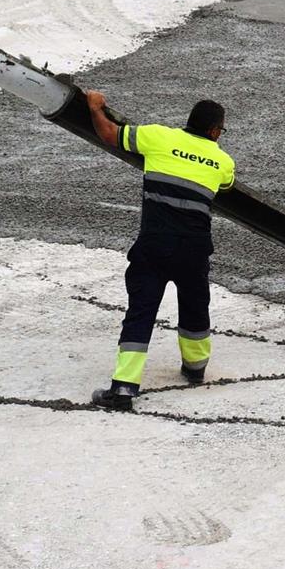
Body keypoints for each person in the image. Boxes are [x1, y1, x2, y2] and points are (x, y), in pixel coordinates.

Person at [83, 89, 234, 412]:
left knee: (141, 312)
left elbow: (110, 134)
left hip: (154, 245)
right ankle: (195, 369)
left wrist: (96, 107)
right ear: (214, 131)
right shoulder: (223, 161)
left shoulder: (156, 137)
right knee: (195, 307)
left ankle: (123, 388)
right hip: (194, 249)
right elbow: (225, 186)